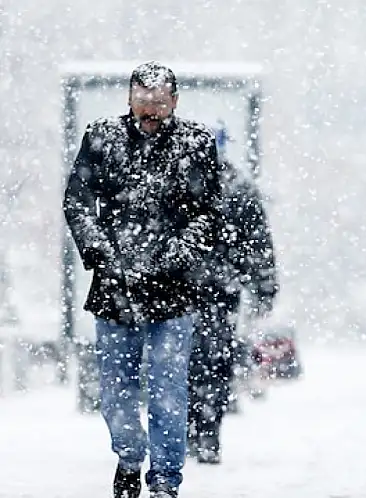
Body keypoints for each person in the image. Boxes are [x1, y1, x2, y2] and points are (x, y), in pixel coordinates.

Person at [63, 61, 223, 498]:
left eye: (158, 101)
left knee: (169, 387)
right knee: (116, 391)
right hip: (115, 287)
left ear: (174, 100)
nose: (150, 110)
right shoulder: (102, 137)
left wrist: (175, 255)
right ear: (129, 99)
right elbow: (77, 201)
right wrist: (101, 252)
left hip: (175, 287)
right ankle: (130, 456)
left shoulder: (196, 143)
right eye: (142, 100)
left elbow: (209, 212)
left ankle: (166, 481)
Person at [187, 122, 278, 465]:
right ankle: (205, 430)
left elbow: (257, 242)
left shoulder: (185, 182)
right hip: (218, 290)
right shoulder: (237, 186)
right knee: (212, 361)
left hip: (191, 290)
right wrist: (263, 287)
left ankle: (194, 430)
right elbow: (259, 243)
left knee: (190, 361)